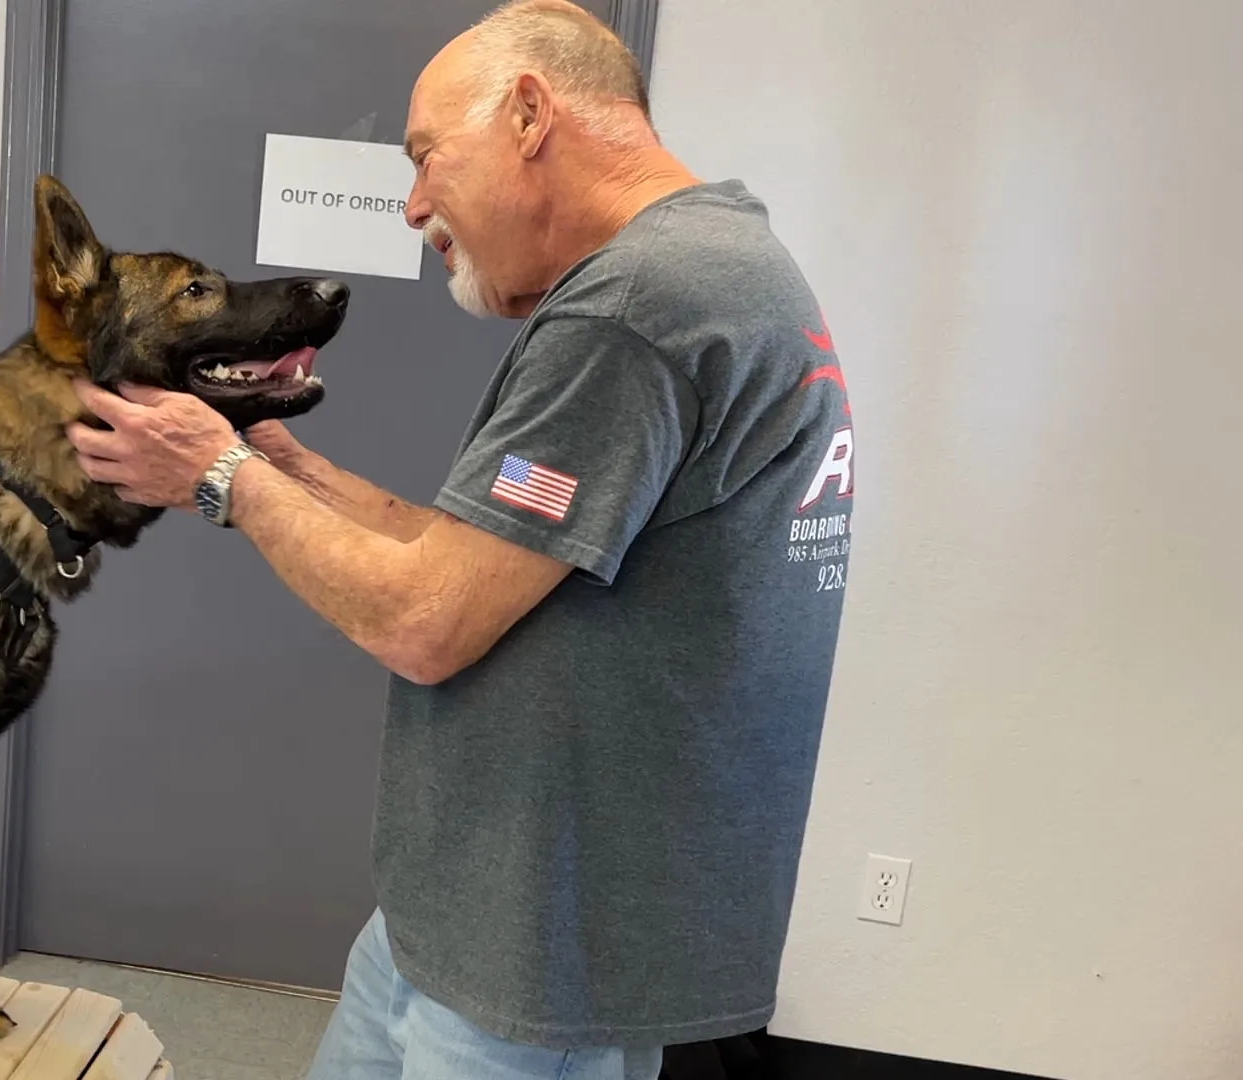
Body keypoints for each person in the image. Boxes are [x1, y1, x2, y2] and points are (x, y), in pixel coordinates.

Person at [66, 1, 856, 1077]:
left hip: (542, 951)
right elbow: (473, 562)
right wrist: (286, 466)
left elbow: (425, 621)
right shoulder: (713, 264)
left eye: (429, 156)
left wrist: (218, 477)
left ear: (530, 112)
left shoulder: (636, 307)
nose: (415, 205)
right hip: (474, 903)